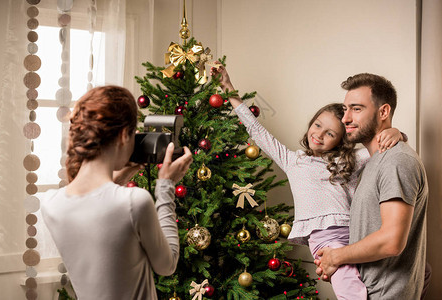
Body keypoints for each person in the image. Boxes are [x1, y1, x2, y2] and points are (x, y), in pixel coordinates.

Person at [211, 66, 405, 300]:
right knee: (351, 291)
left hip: (357, 235)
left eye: (331, 134)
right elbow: (256, 130)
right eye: (317, 125)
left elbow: (381, 147)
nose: (319, 135)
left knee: (412, 273)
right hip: (325, 239)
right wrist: (229, 89)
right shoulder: (294, 161)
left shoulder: (349, 160)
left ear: (340, 141)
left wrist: (398, 133)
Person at [41, 86, 193, 299]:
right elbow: (166, 265)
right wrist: (166, 185)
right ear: (124, 135)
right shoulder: (134, 201)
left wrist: (119, 178)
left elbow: (95, 205)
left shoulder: (50, 203)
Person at [314, 73, 429, 299]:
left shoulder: (396, 161)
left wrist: (336, 257)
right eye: (345, 109)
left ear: (383, 112)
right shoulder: (373, 163)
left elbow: (391, 241)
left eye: (356, 109)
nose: (345, 118)